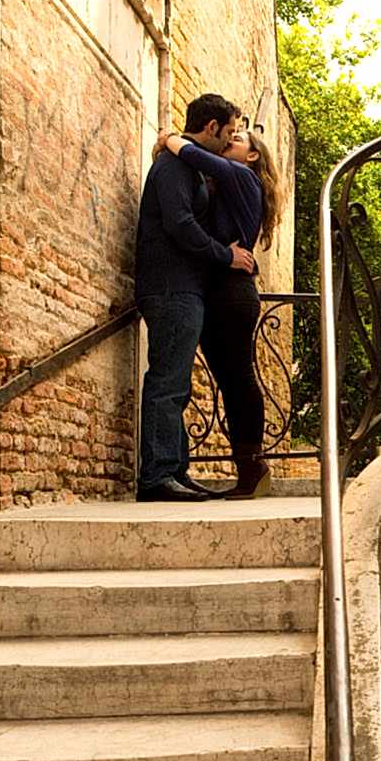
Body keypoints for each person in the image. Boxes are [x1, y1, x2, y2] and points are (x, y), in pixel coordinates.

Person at [132, 94, 255, 503]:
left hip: (187, 287)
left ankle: (175, 471)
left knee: (177, 383)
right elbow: (180, 224)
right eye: (230, 131)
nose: (231, 139)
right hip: (170, 286)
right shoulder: (173, 165)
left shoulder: (190, 165)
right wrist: (226, 255)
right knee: (168, 382)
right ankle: (158, 476)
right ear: (212, 127)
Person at [156, 124, 281, 498]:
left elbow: (196, 155)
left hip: (233, 293)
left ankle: (252, 466)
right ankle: (248, 468)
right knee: (229, 381)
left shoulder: (243, 175)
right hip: (217, 290)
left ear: (253, 155)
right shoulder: (226, 182)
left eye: (238, 140)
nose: (230, 142)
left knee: (239, 379)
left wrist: (170, 140)